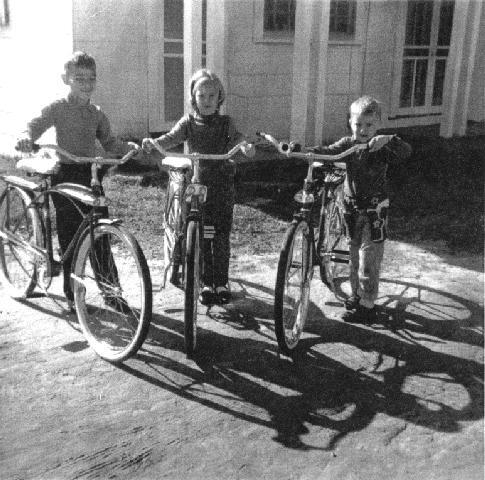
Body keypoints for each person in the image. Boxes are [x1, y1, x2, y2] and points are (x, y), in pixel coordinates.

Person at [15, 51, 140, 311]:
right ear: (66, 79)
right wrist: (27, 136)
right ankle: (73, 294)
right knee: (71, 234)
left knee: (100, 231)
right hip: (66, 174)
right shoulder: (58, 108)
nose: (86, 83)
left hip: (90, 175)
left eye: (91, 78)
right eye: (79, 78)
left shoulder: (96, 113)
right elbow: (35, 125)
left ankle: (111, 292)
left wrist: (127, 146)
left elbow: (109, 142)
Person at [142, 68, 255, 305]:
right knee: (201, 234)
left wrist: (244, 146)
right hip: (198, 184)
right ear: (193, 97)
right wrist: (154, 143)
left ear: (219, 98)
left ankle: (221, 282)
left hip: (222, 184)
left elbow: (238, 139)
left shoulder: (226, 123)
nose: (206, 101)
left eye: (211, 96)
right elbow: (171, 138)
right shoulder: (189, 122)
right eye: (201, 96)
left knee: (221, 235)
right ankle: (205, 282)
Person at [310, 96, 412, 323]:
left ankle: (367, 302)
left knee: (369, 258)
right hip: (350, 208)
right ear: (350, 123)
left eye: (369, 125)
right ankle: (356, 296)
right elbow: (327, 151)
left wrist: (390, 140)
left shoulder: (381, 147)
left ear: (378, 125)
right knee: (353, 256)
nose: (363, 130)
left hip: (374, 210)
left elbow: (406, 152)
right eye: (358, 125)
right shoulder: (348, 144)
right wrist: (305, 151)